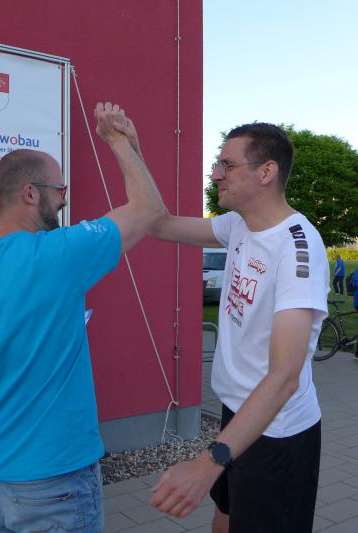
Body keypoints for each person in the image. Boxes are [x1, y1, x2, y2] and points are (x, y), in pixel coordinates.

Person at [0, 102, 163, 533]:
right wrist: (118, 141)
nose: (64, 198)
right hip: (55, 482)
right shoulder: (58, 253)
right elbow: (149, 209)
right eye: (59, 189)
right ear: (31, 193)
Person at [145, 123, 328, 532]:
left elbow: (284, 377)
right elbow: (158, 224)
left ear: (266, 172)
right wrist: (128, 147)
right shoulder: (237, 225)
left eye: (227, 165)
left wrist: (208, 462)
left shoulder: (297, 249)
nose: (215, 175)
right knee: (225, 517)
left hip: (277, 430)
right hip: (237, 412)